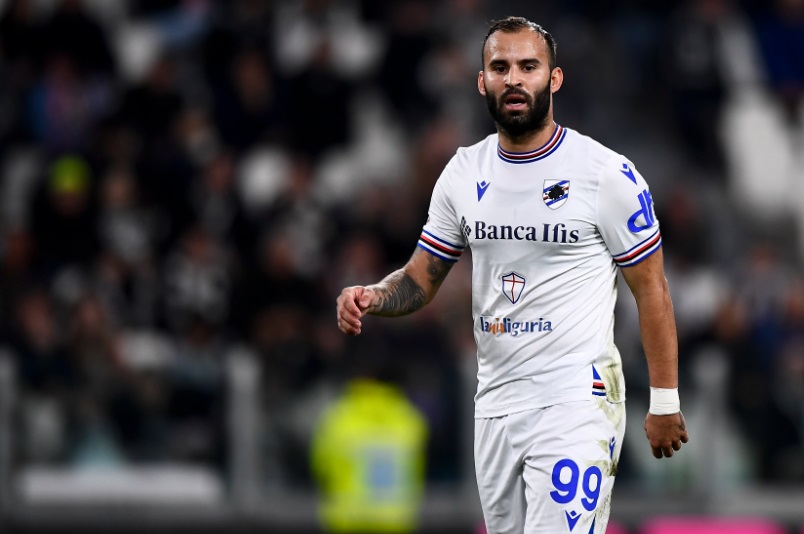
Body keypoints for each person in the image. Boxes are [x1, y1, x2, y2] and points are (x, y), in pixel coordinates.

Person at [336, 16, 689, 533]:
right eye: (500, 68)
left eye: (529, 66)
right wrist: (374, 295)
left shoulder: (604, 174)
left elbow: (652, 289)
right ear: (482, 82)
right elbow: (420, 279)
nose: (514, 79)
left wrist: (665, 400)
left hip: (576, 399)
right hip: (496, 402)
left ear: (555, 78)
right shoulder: (463, 172)